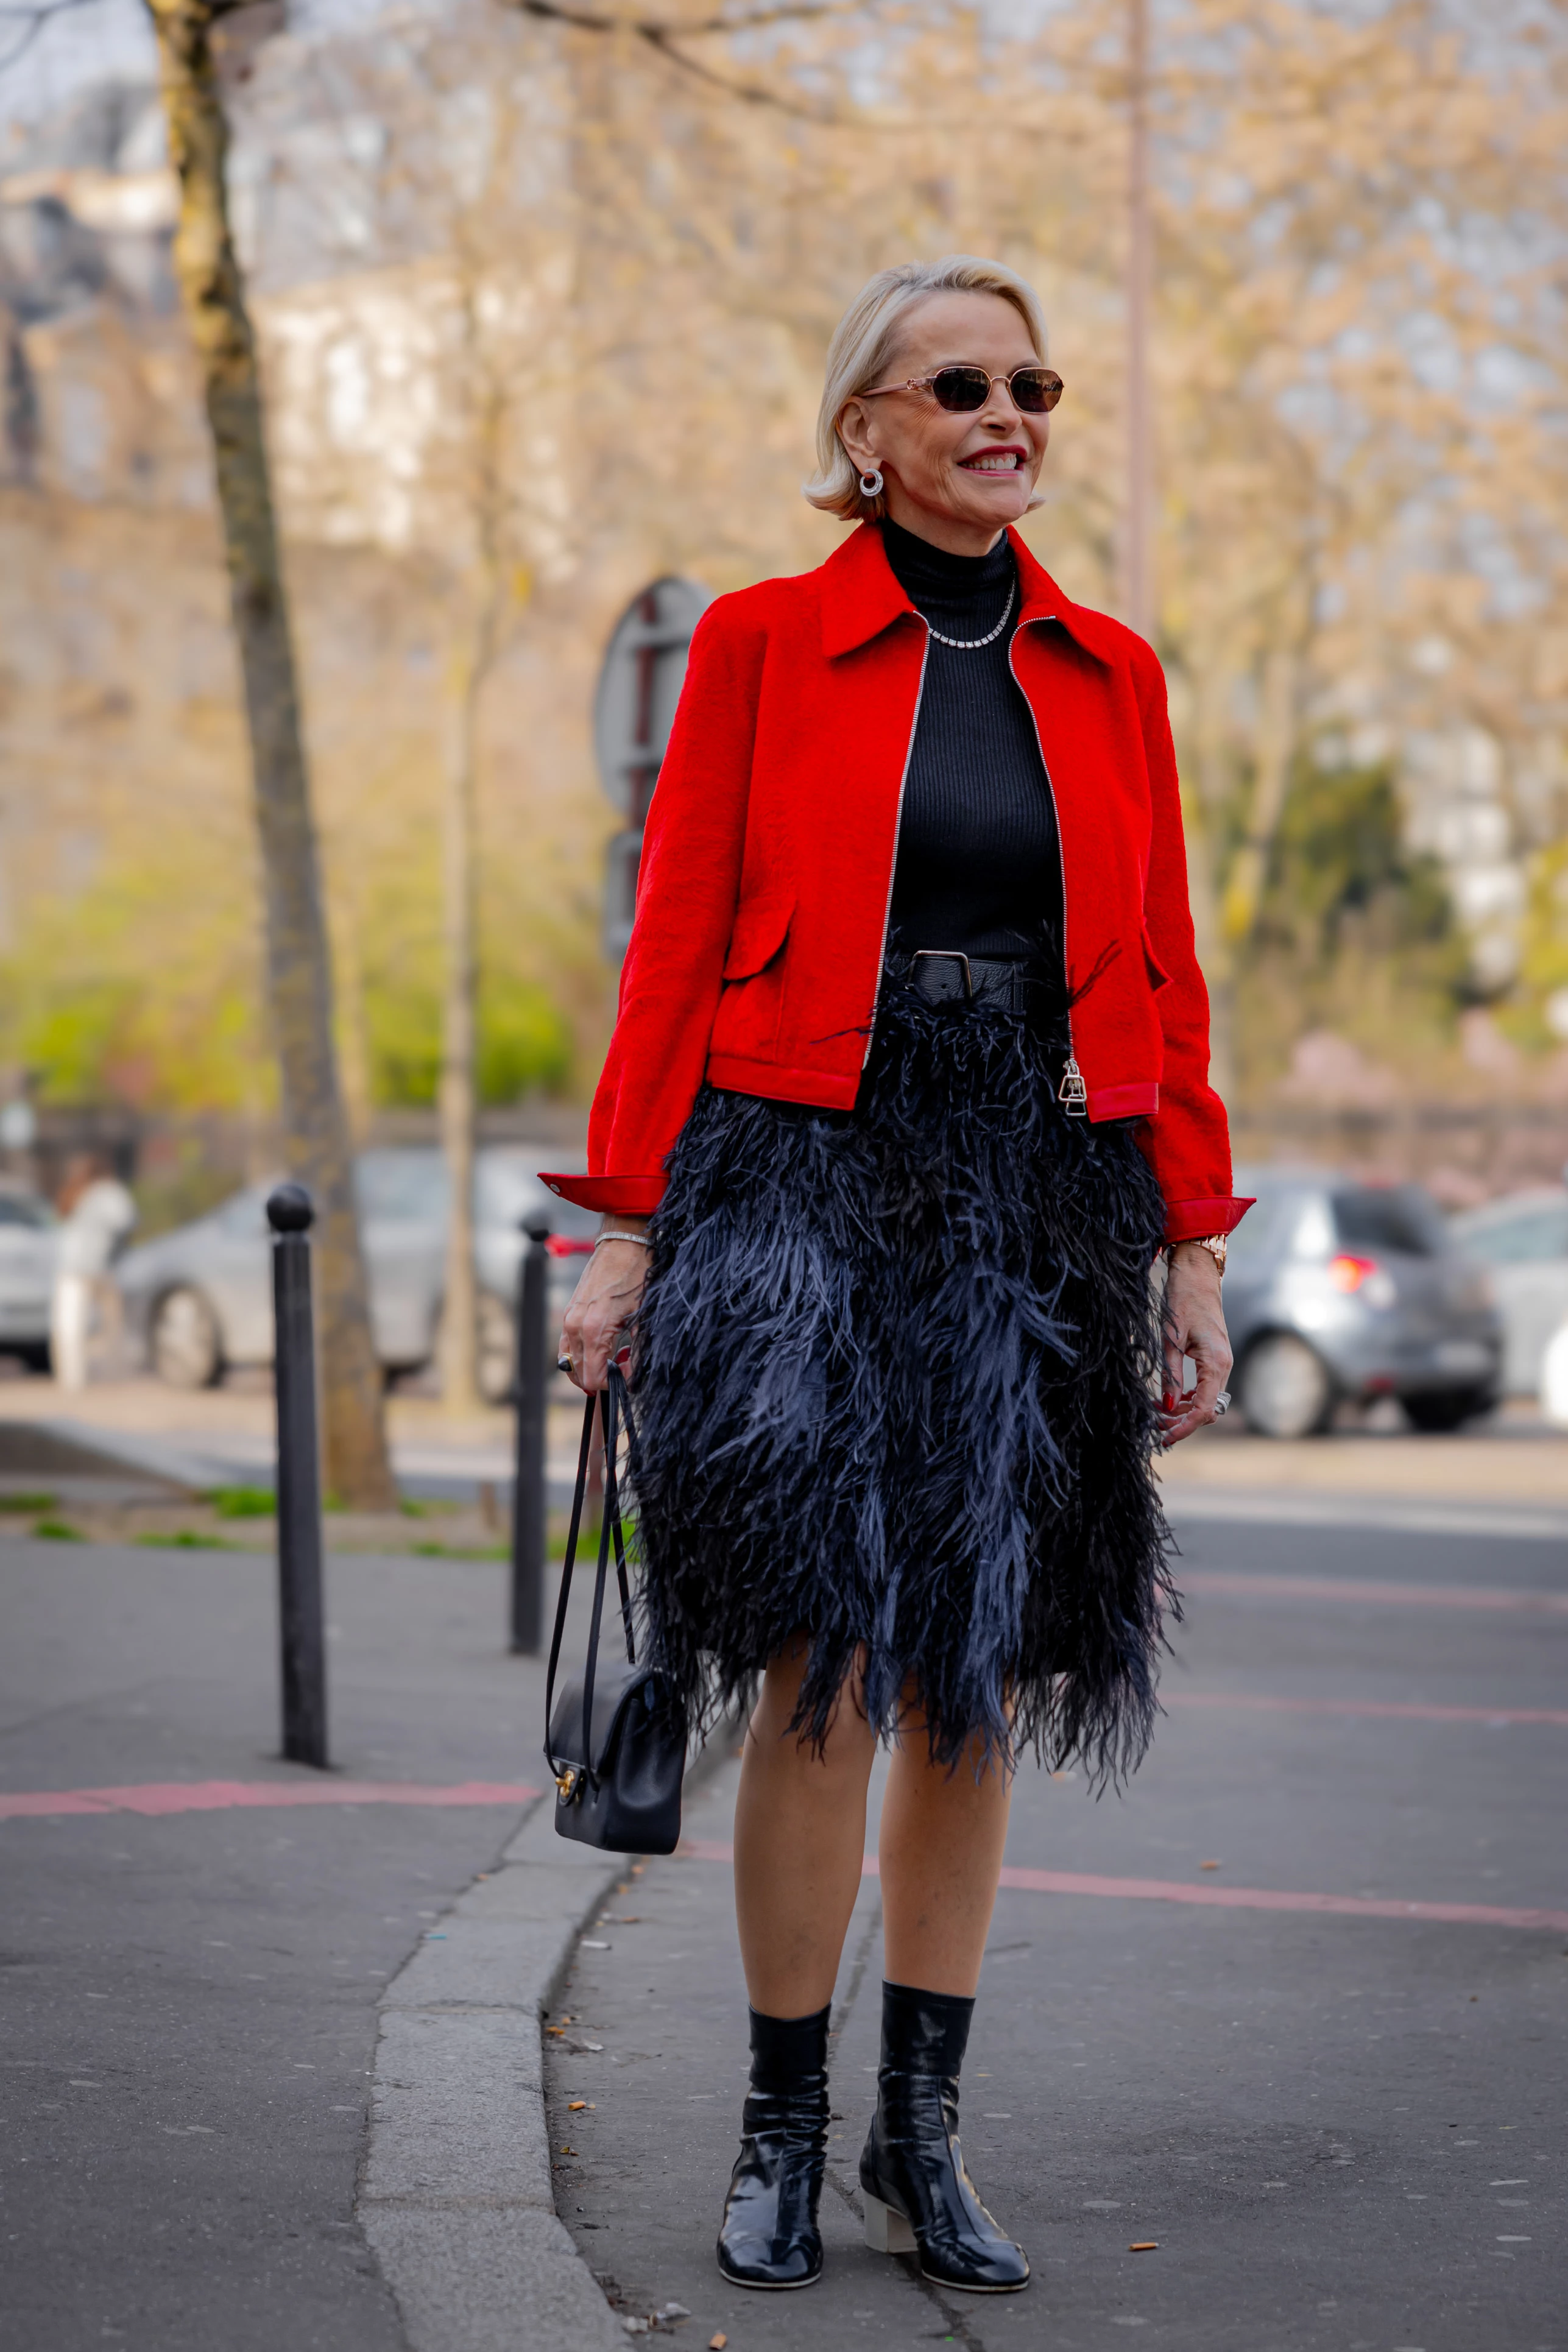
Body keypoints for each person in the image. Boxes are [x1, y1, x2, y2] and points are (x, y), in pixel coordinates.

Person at [547, 255, 1248, 2297]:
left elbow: (1166, 981)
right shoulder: (763, 647)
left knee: (976, 1681)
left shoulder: (1112, 674)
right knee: (821, 1668)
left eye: (1031, 383)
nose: (1006, 414)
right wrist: (619, 1235)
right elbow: (671, 941)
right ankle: (774, 2130)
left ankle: (915, 2139)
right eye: (960, 385)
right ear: (863, 428)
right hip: (793, 1162)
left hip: (1034, 1183)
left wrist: (1192, 1249)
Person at [51, 1154, 137, 1391]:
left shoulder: (73, 1192)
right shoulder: (109, 1192)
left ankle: (72, 1379)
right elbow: (127, 1220)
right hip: (102, 1266)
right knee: (112, 1325)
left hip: (70, 1266)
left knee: (70, 1326)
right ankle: (115, 1375)